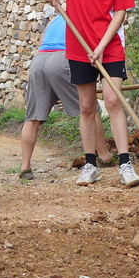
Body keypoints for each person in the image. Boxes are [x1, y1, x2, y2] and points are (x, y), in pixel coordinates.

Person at [42, 0, 139, 188]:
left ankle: (125, 165)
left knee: (112, 101)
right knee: (86, 107)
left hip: (109, 48)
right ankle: (90, 164)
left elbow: (120, 13)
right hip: (77, 48)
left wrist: (100, 47)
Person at [20, 14, 109, 180]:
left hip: (39, 61)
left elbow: (42, 40)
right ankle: (104, 156)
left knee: (33, 118)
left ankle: (25, 167)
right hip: (62, 57)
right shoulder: (85, 15)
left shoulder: (56, 18)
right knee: (89, 110)